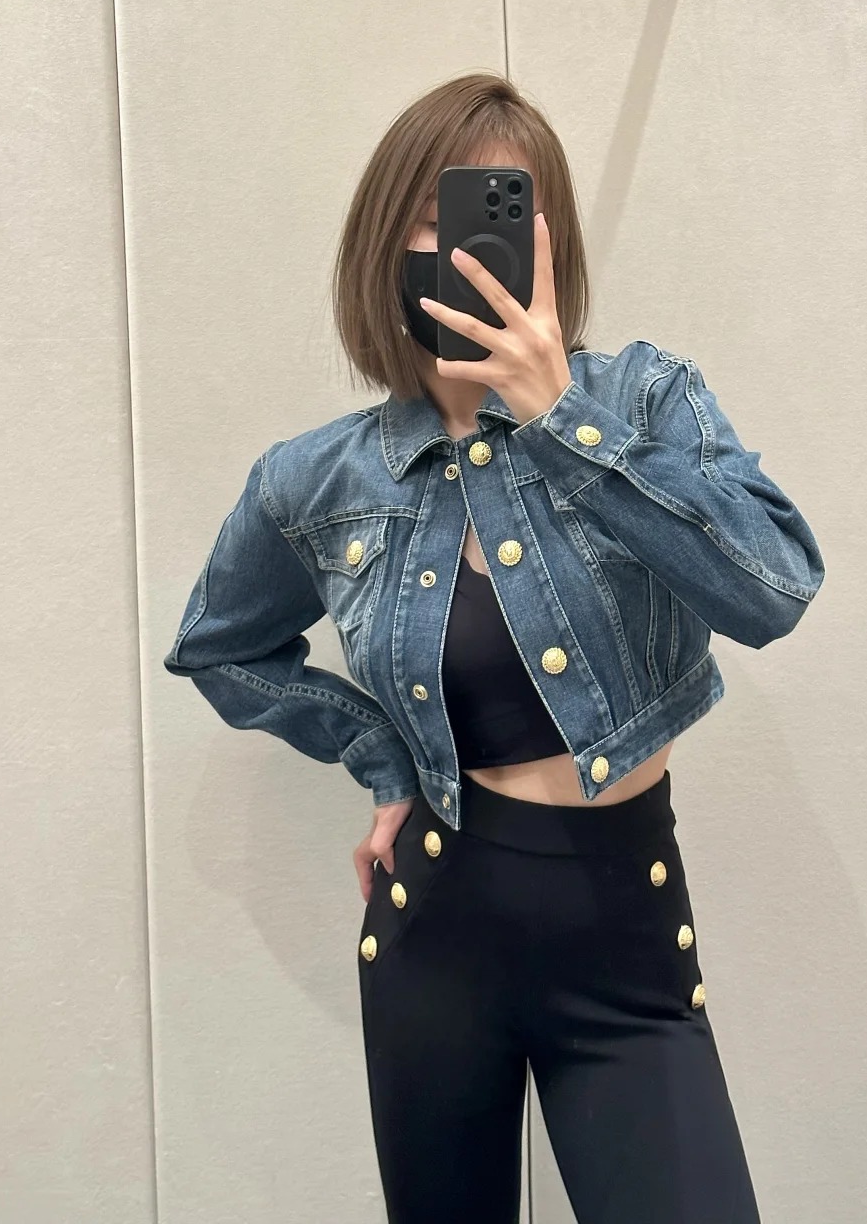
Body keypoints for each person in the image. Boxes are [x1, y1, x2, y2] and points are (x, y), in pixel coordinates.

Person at [164, 71, 825, 1223]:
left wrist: (564, 416)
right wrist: (381, 760)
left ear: (548, 241)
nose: (468, 248)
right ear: (387, 242)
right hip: (434, 939)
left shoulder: (644, 400)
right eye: (437, 214)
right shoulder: (318, 479)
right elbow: (218, 649)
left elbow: (774, 587)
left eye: (503, 212)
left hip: (627, 945)